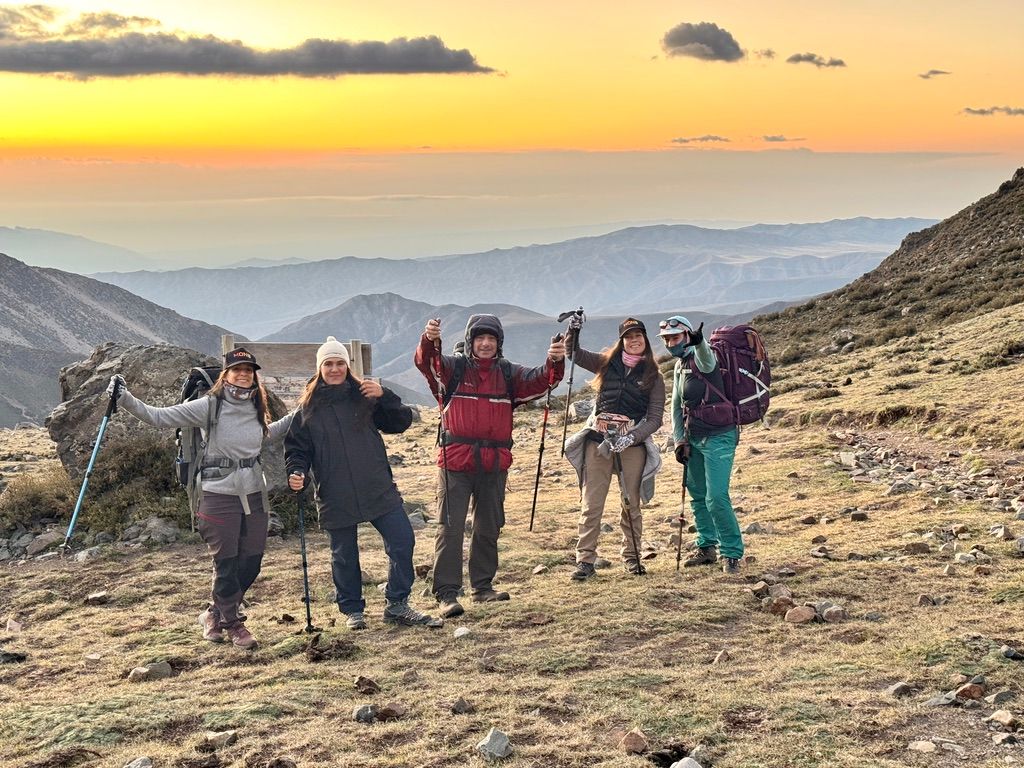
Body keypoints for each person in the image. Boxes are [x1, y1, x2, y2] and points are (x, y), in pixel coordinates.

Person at [107, 348, 294, 649]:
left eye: (249, 370)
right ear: (226, 375)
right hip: (217, 493)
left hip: (253, 493)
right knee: (226, 562)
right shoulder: (209, 406)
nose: (244, 374)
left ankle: (213, 613)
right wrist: (124, 398)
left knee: (252, 562)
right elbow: (158, 417)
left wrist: (307, 406)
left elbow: (267, 434)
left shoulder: (256, 406)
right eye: (237, 369)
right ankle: (234, 625)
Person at [285, 336, 441, 630]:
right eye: (328, 364)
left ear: (348, 365)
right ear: (320, 368)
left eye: (339, 363)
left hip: (377, 487)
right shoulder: (307, 410)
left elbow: (400, 422)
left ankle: (397, 604)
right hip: (335, 493)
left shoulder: (366, 396)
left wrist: (385, 395)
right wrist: (296, 472)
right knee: (344, 555)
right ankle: (352, 610)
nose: (334, 369)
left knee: (402, 540)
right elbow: (297, 451)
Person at [414, 315, 565, 618]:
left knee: (488, 527)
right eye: (480, 338)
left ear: (499, 343)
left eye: (491, 339)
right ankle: (447, 594)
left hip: (494, 465)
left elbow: (541, 380)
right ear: (470, 342)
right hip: (455, 463)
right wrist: (429, 340)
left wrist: (554, 361)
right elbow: (427, 362)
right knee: (450, 528)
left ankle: (482, 588)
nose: (485, 344)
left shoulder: (508, 375)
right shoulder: (453, 370)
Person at [562, 318, 665, 579]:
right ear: (622, 341)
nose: (634, 340)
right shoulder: (606, 363)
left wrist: (631, 437)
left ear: (645, 340)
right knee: (592, 503)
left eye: (638, 335)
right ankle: (585, 561)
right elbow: (573, 352)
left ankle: (632, 557)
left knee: (631, 502)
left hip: (633, 446)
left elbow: (654, 419)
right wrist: (573, 330)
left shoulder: (654, 376)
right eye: (629, 337)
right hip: (598, 442)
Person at [659, 316, 744, 574]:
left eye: (675, 337)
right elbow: (676, 406)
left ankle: (731, 553)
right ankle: (706, 546)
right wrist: (679, 440)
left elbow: (707, 358)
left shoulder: (704, 359)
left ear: (687, 336)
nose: (670, 343)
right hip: (692, 437)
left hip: (719, 436)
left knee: (716, 496)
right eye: (666, 339)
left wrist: (700, 342)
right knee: (697, 493)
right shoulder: (678, 366)